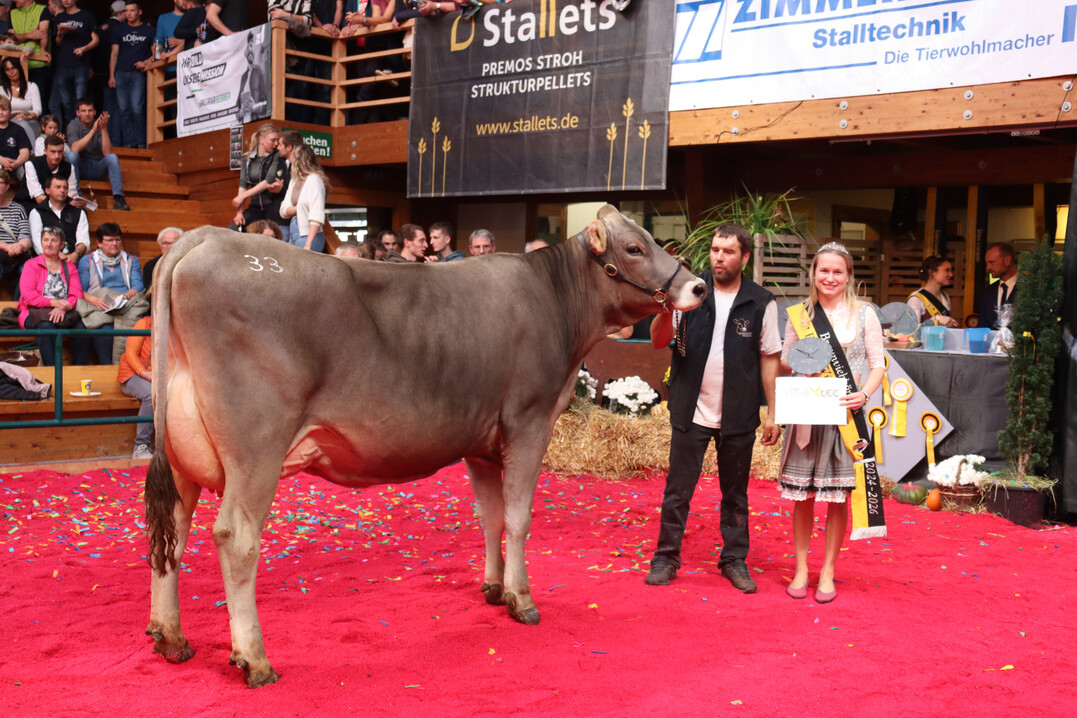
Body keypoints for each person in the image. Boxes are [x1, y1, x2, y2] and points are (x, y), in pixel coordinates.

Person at [645, 222, 781, 594]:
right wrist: (665, 308)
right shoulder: (691, 289)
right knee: (678, 489)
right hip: (691, 407)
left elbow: (770, 357)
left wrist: (774, 411)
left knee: (735, 492)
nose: (719, 257)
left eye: (728, 251)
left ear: (745, 257)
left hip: (738, 412)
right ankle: (666, 557)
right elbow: (659, 342)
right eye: (715, 250)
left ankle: (734, 560)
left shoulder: (761, 302)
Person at [778, 242, 885, 603]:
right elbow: (783, 361)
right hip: (809, 414)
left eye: (838, 271)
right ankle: (802, 568)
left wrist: (864, 394)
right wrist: (801, 368)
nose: (830, 277)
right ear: (813, 274)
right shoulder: (801, 314)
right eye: (823, 270)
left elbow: (879, 364)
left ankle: (828, 571)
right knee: (804, 497)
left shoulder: (866, 314)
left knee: (838, 499)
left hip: (846, 416)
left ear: (849, 276)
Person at [17, 226, 92, 366]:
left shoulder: (70, 267)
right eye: (45, 240)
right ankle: (52, 372)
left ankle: (79, 372)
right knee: (46, 327)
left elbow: (76, 294)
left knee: (82, 329)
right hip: (34, 312)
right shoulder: (31, 265)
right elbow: (28, 296)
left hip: (65, 312)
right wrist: (54, 303)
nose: (49, 244)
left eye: (53, 240)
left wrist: (63, 307)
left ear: (62, 245)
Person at [76, 222, 146, 364]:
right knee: (104, 330)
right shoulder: (87, 261)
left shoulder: (132, 260)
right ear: (99, 243)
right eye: (109, 240)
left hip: (126, 304)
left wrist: (124, 296)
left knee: (135, 325)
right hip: (99, 304)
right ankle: (108, 368)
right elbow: (80, 290)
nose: (114, 244)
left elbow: (138, 285)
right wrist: (95, 300)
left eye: (117, 240)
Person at [67, 97, 130, 210]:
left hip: (97, 167)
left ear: (95, 112)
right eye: (83, 111)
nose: (87, 114)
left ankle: (119, 199)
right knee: (71, 156)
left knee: (112, 157)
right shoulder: (73, 125)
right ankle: (76, 195)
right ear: (78, 113)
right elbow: (74, 148)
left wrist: (104, 128)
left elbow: (107, 152)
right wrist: (93, 131)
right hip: (81, 167)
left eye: (90, 110)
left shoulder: (100, 124)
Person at [109, 2, 153, 150]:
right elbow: (114, 53)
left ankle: (141, 142)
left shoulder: (149, 31)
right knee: (123, 109)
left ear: (140, 12)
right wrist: (111, 75)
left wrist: (145, 62)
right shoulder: (119, 29)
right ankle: (128, 142)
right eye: (126, 11)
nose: (129, 14)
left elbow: (156, 54)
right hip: (120, 72)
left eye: (132, 11)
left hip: (138, 73)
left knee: (137, 108)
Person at [49, 0, 98, 129]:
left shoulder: (87, 15)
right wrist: (60, 33)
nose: (66, 0)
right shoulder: (60, 17)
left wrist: (84, 49)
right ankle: (71, 130)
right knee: (66, 103)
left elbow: (96, 40)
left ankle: (82, 131)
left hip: (81, 65)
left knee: (80, 100)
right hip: (63, 64)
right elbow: (58, 42)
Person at [229, 123, 285, 231]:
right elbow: (243, 184)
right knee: (233, 229)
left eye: (277, 141)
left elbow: (267, 181)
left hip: (272, 207)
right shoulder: (246, 157)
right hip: (254, 207)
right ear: (261, 139)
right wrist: (239, 213)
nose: (276, 144)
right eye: (272, 140)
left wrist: (243, 196)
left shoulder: (277, 155)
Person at [278, 136, 328, 253]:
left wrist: (308, 244)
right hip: (294, 233)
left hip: (309, 236)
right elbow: (283, 209)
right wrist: (298, 208)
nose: (290, 159)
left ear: (301, 160)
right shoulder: (295, 180)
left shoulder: (314, 180)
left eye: (293, 157)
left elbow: (316, 215)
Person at [118, 313, 153, 459]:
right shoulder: (144, 323)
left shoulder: (177, 327)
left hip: (161, 377)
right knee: (151, 394)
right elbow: (130, 354)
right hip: (132, 374)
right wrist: (145, 373)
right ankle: (140, 447)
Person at [29, 175, 87, 261]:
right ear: (47, 190)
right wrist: (55, 255)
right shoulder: (37, 212)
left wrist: (75, 255)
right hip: (45, 260)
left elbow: (84, 241)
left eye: (65, 188)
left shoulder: (79, 212)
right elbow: (37, 243)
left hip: (73, 259)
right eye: (58, 187)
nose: (62, 190)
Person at [10, 0, 51, 107]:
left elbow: (42, 33)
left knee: (40, 103)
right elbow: (11, 39)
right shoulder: (12, 12)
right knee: (19, 101)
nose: (13, 0)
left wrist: (43, 49)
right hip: (18, 65)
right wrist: (30, 35)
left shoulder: (42, 10)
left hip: (39, 64)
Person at [0, 168, 31, 294]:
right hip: (2, 252)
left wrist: (20, 246)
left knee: (28, 271)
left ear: (7, 186)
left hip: (16, 254)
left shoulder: (18, 209)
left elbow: (26, 236)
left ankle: (17, 308)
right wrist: (7, 247)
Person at [24, 134, 77, 206]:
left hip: (60, 206)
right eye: (53, 152)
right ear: (45, 151)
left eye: (60, 152)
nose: (57, 156)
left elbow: (71, 194)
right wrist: (64, 202)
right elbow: (39, 198)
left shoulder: (69, 167)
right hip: (30, 204)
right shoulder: (31, 164)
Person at [907, 255, 959, 327]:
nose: (951, 274)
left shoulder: (945, 296)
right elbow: (911, 330)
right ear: (932, 272)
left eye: (951, 271)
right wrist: (935, 320)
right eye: (947, 270)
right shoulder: (916, 299)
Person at [0, 56, 42, 144]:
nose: (11, 72)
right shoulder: (2, 89)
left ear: (19, 69)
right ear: (4, 73)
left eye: (13, 68)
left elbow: (38, 110)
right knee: (18, 124)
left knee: (22, 123)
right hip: (7, 121)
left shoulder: (31, 86)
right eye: (7, 69)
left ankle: (30, 153)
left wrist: (27, 117)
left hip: (30, 121)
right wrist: (15, 115)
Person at [980, 242, 1018, 329]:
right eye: (987, 263)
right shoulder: (988, 292)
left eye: (992, 262)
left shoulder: (1028, 289)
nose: (988, 268)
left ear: (1007, 260)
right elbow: (982, 328)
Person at [0, 96, 30, 183]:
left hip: (16, 162)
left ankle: (28, 195)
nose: (1, 113)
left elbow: (25, 152)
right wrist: (1, 160)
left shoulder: (18, 129)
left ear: (10, 111)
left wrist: (16, 163)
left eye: (4, 109)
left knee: (26, 173)